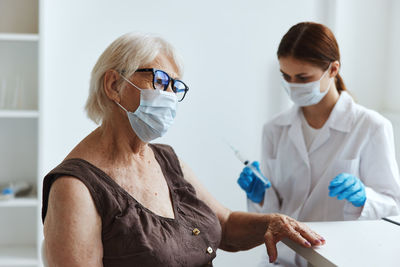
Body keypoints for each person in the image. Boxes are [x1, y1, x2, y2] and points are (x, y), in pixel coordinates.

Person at [41, 32, 325, 267]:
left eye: (175, 87)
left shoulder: (166, 160)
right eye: (160, 81)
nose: (169, 97)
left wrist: (273, 223)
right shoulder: (75, 187)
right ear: (114, 85)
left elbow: (224, 225)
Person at [237, 21, 400, 266]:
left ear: (333, 70)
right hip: (282, 259)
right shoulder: (274, 129)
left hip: (337, 258)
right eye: (286, 76)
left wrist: (364, 197)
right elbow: (273, 212)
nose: (293, 85)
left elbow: (393, 206)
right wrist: (260, 197)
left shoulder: (371, 127)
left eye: (303, 78)